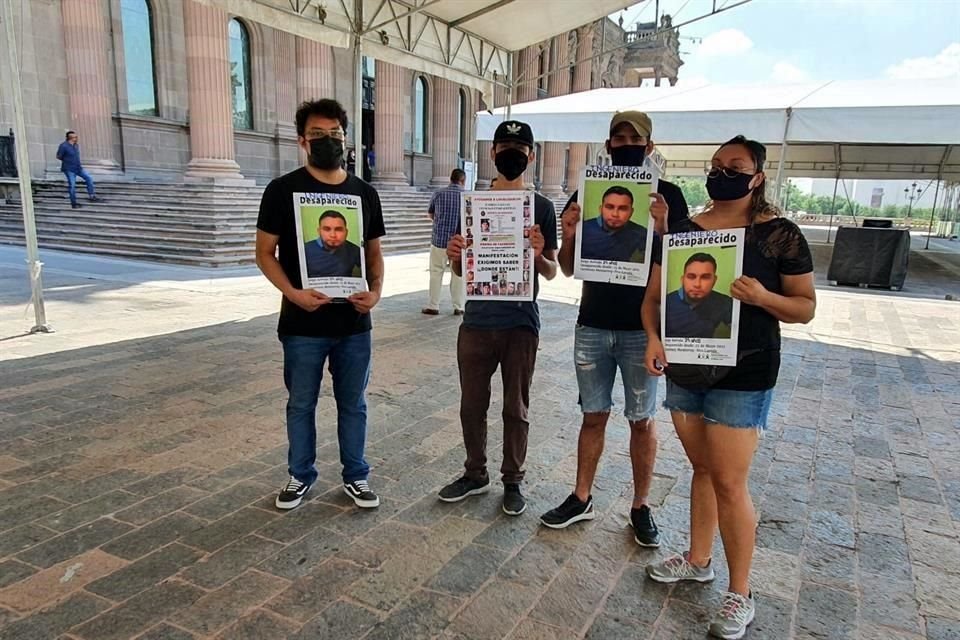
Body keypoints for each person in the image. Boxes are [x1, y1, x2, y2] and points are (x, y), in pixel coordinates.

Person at [642, 135, 816, 639]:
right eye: (716, 165)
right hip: (687, 370)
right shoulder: (685, 231)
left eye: (735, 166)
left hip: (746, 373)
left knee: (729, 481)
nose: (723, 172)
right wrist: (654, 338)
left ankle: (740, 593)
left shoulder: (779, 235)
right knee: (701, 468)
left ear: (757, 176)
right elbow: (654, 299)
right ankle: (699, 560)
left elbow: (805, 306)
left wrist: (763, 296)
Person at [539, 110, 686, 548]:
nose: (625, 144)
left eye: (633, 138)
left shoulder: (669, 197)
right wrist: (567, 234)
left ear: (650, 146)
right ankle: (582, 496)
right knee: (593, 414)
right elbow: (566, 269)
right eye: (617, 137)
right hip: (593, 324)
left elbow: (680, 268)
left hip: (642, 329)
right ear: (607, 145)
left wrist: (661, 229)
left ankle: (641, 505)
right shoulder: (585, 194)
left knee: (642, 420)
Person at [256, 99, 386, 512]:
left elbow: (374, 253)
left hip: (353, 323)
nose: (328, 142)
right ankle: (300, 475)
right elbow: (264, 253)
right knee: (300, 403)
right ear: (302, 140)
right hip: (302, 324)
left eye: (335, 135)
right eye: (318, 135)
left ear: (346, 140)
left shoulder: (364, 193)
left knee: (354, 403)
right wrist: (293, 294)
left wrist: (377, 292)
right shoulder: (281, 190)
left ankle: (356, 475)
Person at [440, 119, 558, 516]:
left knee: (516, 406)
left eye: (520, 148)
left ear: (531, 155)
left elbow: (552, 271)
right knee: (471, 404)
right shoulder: (472, 203)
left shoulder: (541, 206)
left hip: (521, 322)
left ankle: (513, 479)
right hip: (476, 320)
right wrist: (455, 256)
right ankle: (475, 473)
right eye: (504, 146)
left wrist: (539, 252)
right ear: (491, 153)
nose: (512, 153)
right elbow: (460, 270)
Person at [423, 169, 467, 316]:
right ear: (463, 180)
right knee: (458, 276)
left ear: (450, 179)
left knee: (436, 273)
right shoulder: (467, 196)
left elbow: (431, 214)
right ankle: (458, 306)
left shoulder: (438, 193)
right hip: (458, 244)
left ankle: (433, 305)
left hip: (439, 240)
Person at [665, 253, 733, 339]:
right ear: (682, 280)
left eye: (705, 277)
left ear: (714, 280)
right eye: (691, 277)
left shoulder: (724, 302)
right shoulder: (667, 302)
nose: (697, 284)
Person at [580, 186, 648, 263]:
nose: (615, 214)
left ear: (631, 212)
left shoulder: (643, 234)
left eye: (622, 208)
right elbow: (568, 271)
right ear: (601, 209)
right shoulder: (583, 229)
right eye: (609, 207)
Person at [303, 210, 362, 278]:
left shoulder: (354, 250)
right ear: (319, 231)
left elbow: (371, 268)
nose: (333, 235)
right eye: (327, 229)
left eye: (338, 229)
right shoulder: (304, 250)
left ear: (346, 232)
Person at [56, 131, 100, 209]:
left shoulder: (76, 145)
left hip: (78, 168)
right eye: (74, 137)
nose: (76, 138)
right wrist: (68, 161)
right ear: (70, 138)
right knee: (72, 186)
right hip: (69, 169)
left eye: (76, 137)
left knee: (89, 178)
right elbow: (59, 156)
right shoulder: (63, 146)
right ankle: (74, 203)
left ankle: (92, 196)